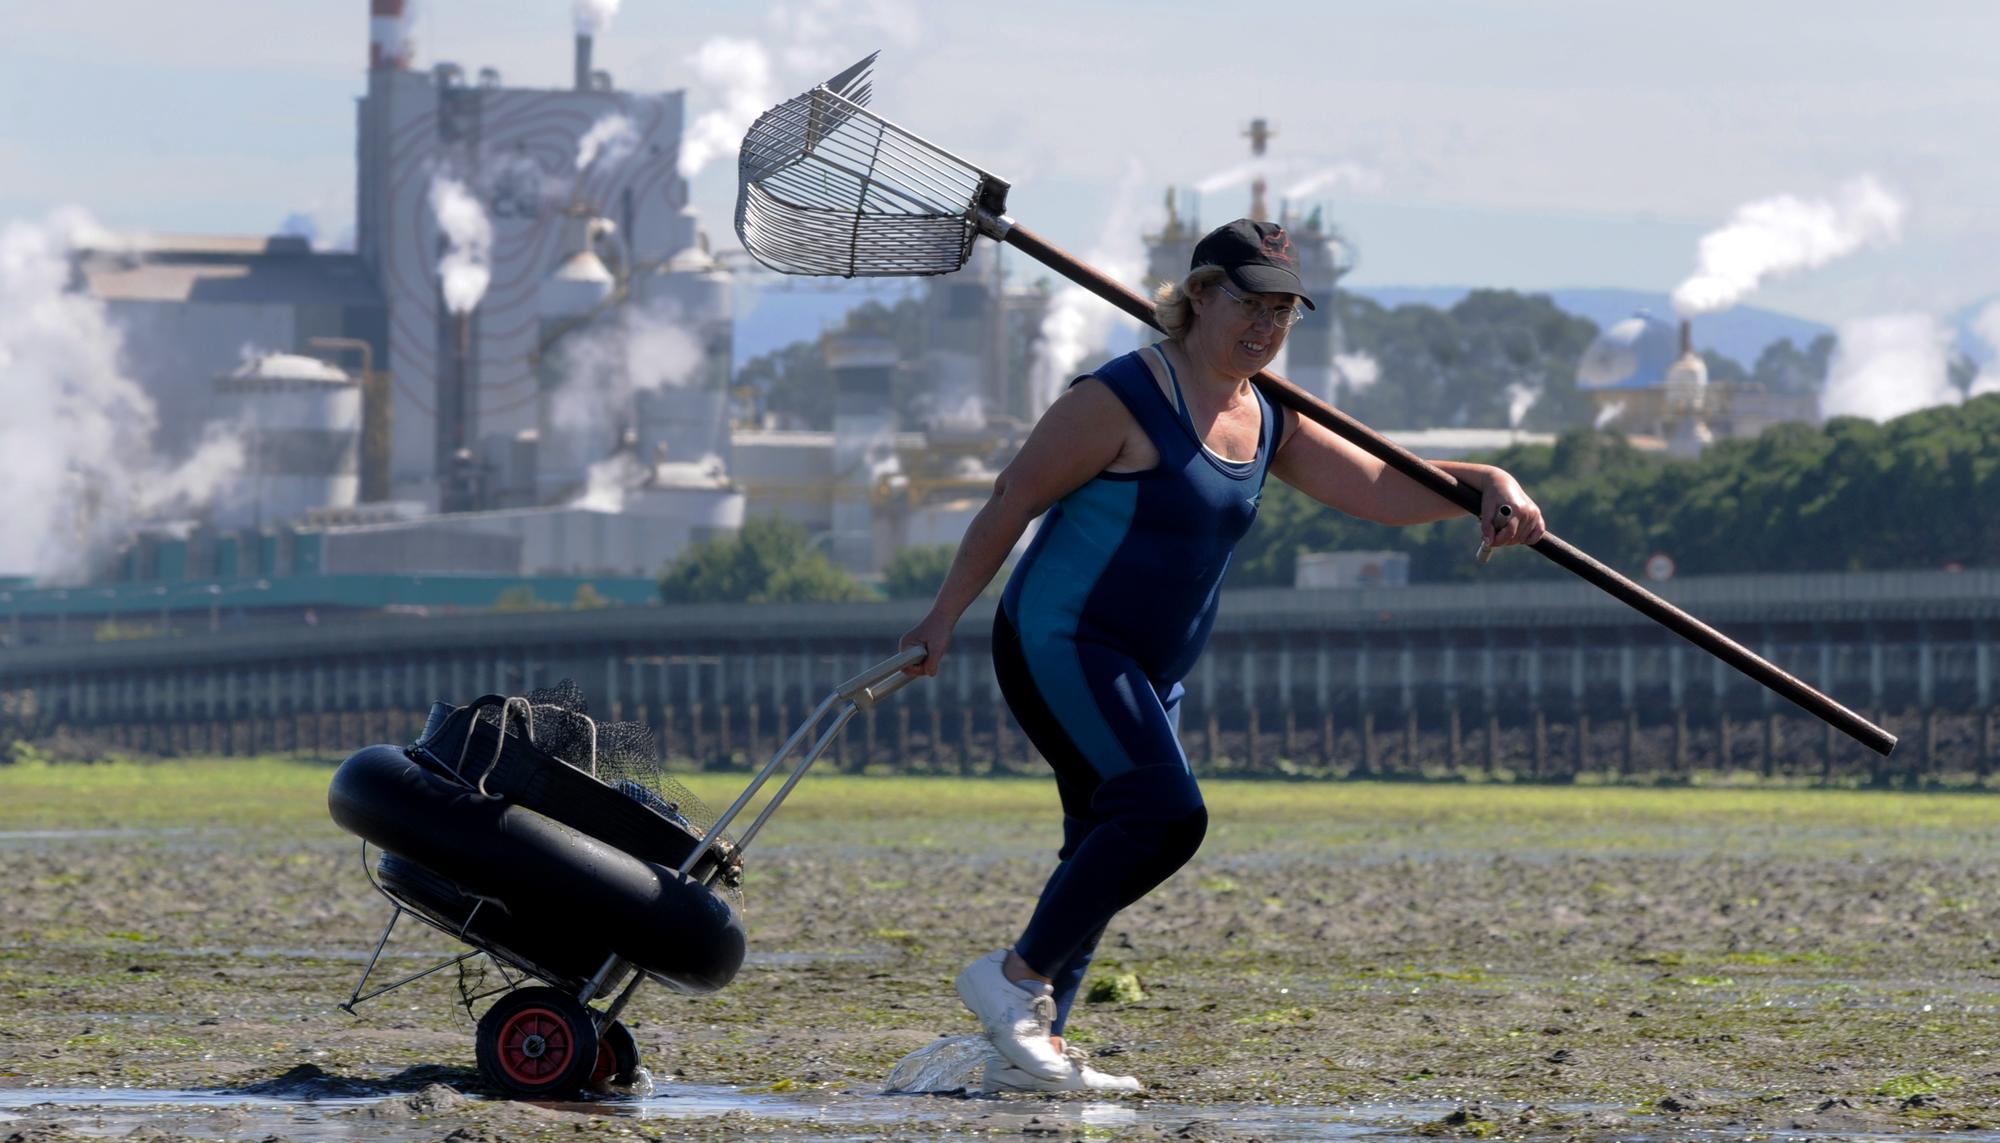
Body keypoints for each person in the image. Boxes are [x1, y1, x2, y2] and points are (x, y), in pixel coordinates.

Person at [896, 218, 1548, 1093]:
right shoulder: (1120, 399)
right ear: (1199, 295)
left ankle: (1030, 1047)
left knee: (1103, 839)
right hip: (1062, 641)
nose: (1266, 326)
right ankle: (1015, 980)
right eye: (1249, 302)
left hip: (1153, 672)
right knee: (1165, 815)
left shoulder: (1271, 413)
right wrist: (942, 617)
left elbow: (1380, 488)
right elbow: (1012, 499)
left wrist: (1485, 484)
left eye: (1284, 310)